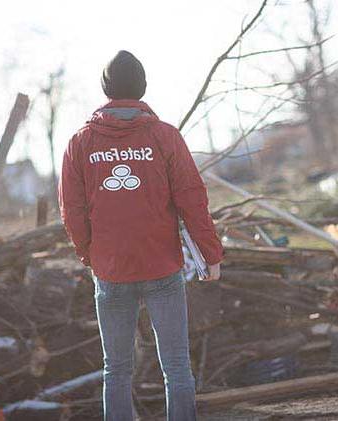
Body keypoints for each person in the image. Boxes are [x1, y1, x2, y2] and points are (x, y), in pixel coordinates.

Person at [58, 50, 223, 421]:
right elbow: (193, 200)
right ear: (143, 88)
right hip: (162, 268)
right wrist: (210, 255)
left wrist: (92, 256)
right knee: (177, 367)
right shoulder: (165, 137)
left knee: (116, 370)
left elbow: (72, 210)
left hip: (111, 271)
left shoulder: (80, 143)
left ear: (106, 90)